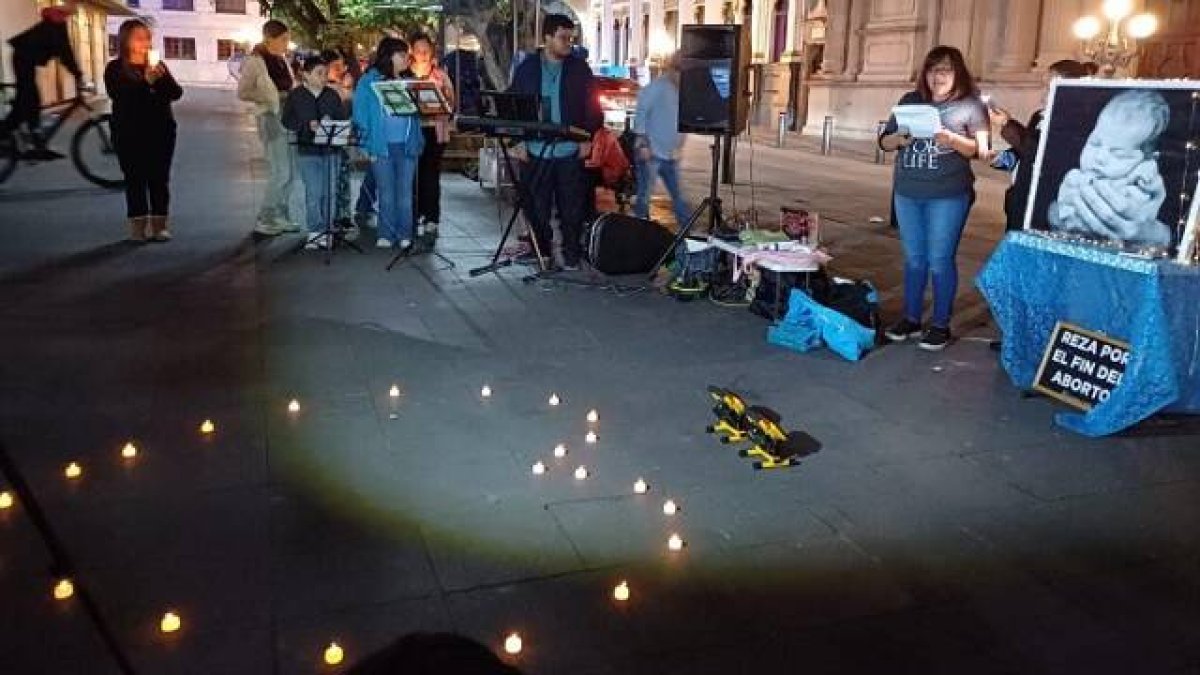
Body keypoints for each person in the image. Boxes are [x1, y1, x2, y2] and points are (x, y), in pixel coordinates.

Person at [878, 45, 988, 351]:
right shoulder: (910, 101)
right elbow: (885, 141)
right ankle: (911, 318)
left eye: (945, 69)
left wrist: (952, 139)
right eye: (932, 69)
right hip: (908, 191)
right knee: (914, 259)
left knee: (940, 260)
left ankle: (940, 323)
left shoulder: (970, 105)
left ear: (958, 73)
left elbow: (978, 149)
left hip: (948, 194)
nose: (937, 76)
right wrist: (898, 138)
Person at [509, 13, 604, 270]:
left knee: (571, 209)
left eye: (571, 38)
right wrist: (515, 140)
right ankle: (543, 251)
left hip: (569, 150)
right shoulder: (527, 69)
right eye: (563, 38)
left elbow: (593, 108)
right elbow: (513, 106)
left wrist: (587, 137)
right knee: (536, 207)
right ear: (548, 38)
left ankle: (572, 255)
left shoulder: (579, 69)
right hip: (535, 150)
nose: (568, 43)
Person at [1046, 89, 1172, 247]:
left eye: (1118, 154)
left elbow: (1148, 195)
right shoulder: (1077, 176)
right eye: (1095, 143)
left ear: (1149, 159)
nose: (1100, 158)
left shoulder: (1141, 178)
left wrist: (1146, 175)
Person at [989, 59, 1092, 232]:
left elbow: (1043, 152)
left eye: (1049, 87)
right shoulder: (1039, 116)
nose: (1043, 94)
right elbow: (1025, 150)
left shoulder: (1075, 122)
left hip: (1044, 201)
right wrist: (1001, 158)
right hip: (1022, 195)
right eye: (1043, 86)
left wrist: (1008, 124)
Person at [105, 19, 183, 244]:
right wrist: (144, 82)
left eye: (147, 37)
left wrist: (160, 78)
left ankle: (160, 226)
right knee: (135, 180)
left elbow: (176, 93)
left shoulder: (158, 66)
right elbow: (120, 97)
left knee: (159, 179)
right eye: (139, 38)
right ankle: (137, 229)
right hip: (129, 133)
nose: (145, 42)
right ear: (125, 41)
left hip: (161, 131)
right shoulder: (115, 69)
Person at [353, 37, 424, 250]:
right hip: (381, 145)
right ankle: (386, 233)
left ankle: (404, 234)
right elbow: (361, 115)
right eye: (402, 55)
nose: (406, 59)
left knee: (404, 192)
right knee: (385, 191)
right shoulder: (369, 81)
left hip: (407, 144)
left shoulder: (410, 80)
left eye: (406, 55)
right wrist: (365, 146)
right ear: (388, 56)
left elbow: (418, 115)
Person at [282, 54, 348, 250]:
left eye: (325, 73)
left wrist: (333, 125)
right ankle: (315, 230)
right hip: (307, 149)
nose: (323, 77)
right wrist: (305, 124)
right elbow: (287, 120)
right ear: (306, 75)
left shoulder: (332, 95)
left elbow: (342, 118)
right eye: (319, 73)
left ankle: (328, 229)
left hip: (331, 150)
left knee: (330, 191)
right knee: (314, 192)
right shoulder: (296, 95)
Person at [2, 0, 84, 159]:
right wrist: (77, 73)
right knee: (30, 98)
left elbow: (65, 50)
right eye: (74, 5)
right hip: (22, 58)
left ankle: (35, 141)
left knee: (26, 102)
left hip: (25, 59)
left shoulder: (58, 20)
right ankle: (32, 140)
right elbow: (64, 51)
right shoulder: (56, 21)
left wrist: (76, 72)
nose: (76, 9)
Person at [238, 19, 297, 237]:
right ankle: (266, 216)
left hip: (288, 115)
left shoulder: (281, 59)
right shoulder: (256, 61)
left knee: (290, 171)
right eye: (283, 39)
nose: (286, 43)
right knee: (280, 170)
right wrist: (268, 97)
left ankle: (281, 214)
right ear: (269, 38)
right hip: (271, 116)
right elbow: (243, 91)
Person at [406, 32, 456, 247]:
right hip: (413, 129)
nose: (423, 54)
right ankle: (414, 214)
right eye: (418, 50)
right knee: (413, 174)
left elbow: (452, 103)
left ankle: (432, 218)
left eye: (426, 50)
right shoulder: (406, 75)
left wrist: (442, 101)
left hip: (435, 130)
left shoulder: (441, 75)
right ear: (412, 52)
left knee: (431, 174)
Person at [632, 52, 689, 228]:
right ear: (673, 70)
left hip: (670, 154)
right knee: (644, 194)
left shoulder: (682, 91)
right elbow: (641, 110)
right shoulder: (658, 87)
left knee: (678, 195)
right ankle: (639, 229)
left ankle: (686, 230)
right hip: (652, 151)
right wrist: (642, 142)